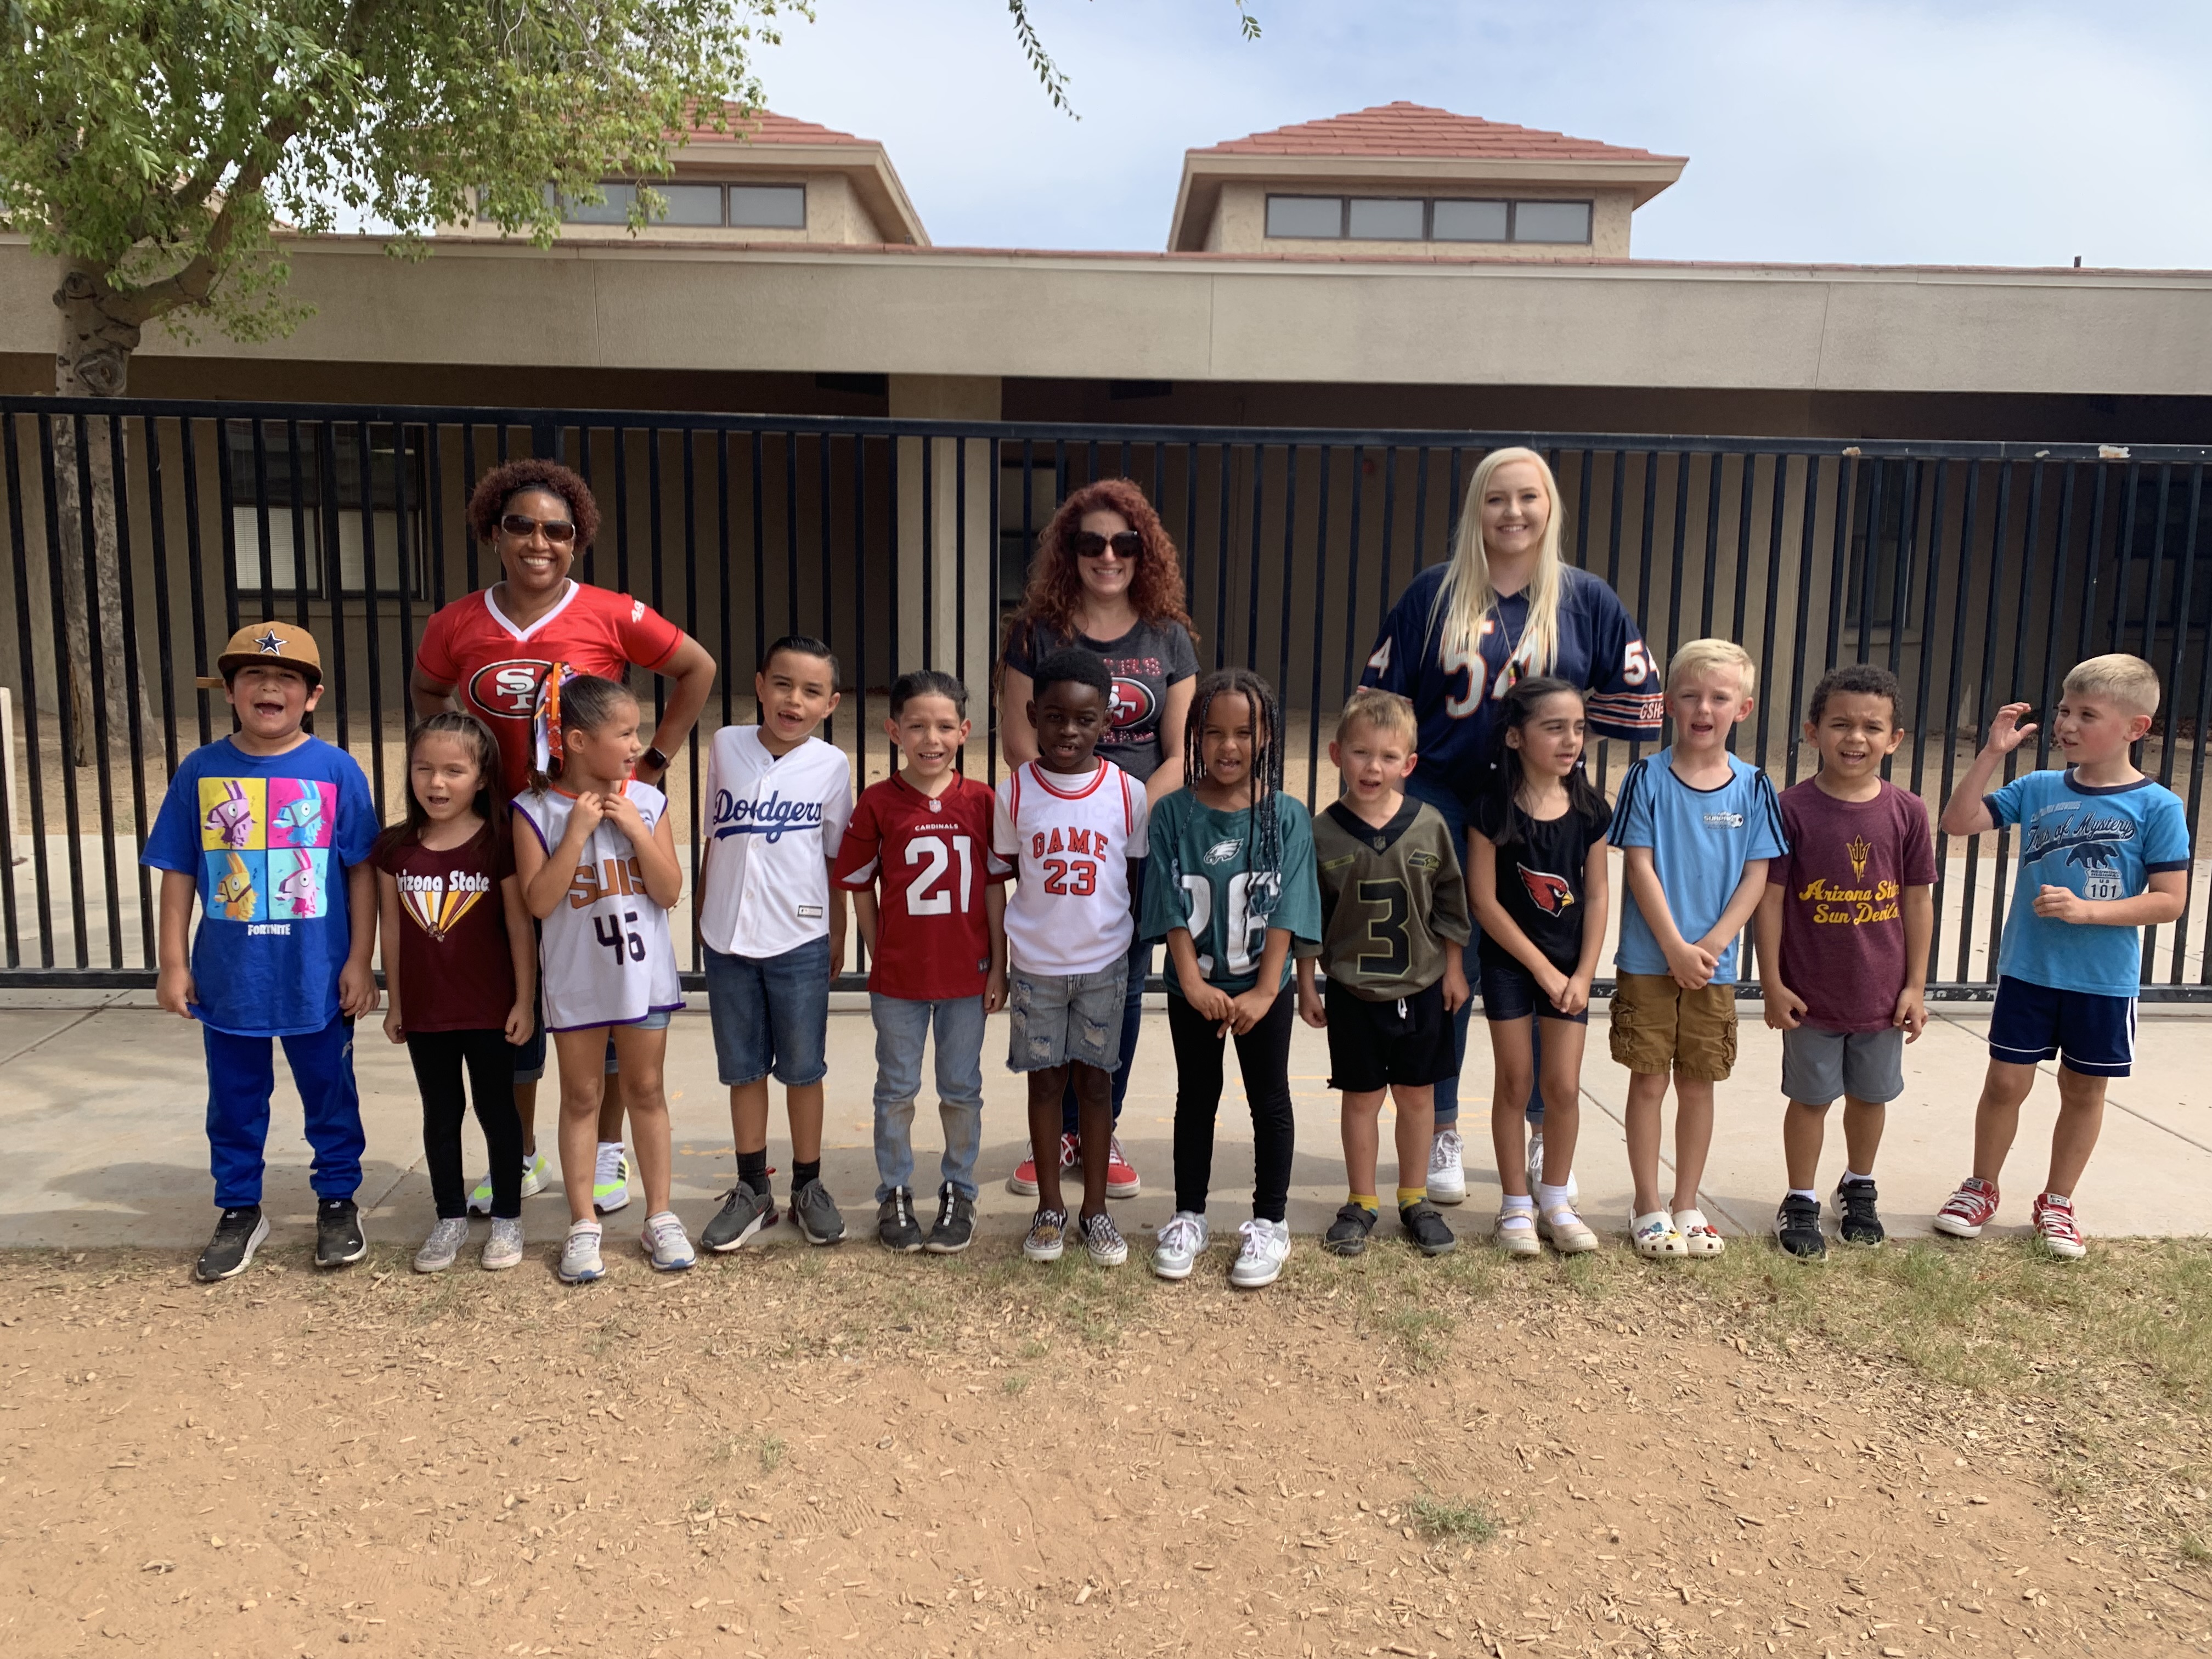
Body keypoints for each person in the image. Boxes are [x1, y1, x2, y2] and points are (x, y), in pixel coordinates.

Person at [412, 458, 716, 1217]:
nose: (539, 542)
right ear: (494, 532)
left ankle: (609, 1151)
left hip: (594, 831)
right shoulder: (457, 622)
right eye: (522, 526)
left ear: (577, 541)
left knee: (610, 992)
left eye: (558, 530)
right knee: (515, 997)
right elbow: (426, 692)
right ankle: (518, 1157)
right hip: (511, 829)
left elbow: (696, 669)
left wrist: (653, 760)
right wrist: (462, 765)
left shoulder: (611, 612)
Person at [1359, 447, 1662, 1205]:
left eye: (1529, 497)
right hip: (1444, 799)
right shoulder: (1433, 593)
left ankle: (1539, 1127)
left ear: (1550, 506)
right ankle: (1447, 1126)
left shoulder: (1585, 598)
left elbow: (1641, 704)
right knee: (1445, 968)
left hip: (1540, 805)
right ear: (1476, 509)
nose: (1514, 513)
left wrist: (1559, 753)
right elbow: (1381, 701)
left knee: (1543, 951)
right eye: (1497, 499)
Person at [1932, 654, 2188, 1259]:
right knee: (2004, 1083)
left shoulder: (2159, 808)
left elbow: (2170, 901)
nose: (2067, 725)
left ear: (2137, 728)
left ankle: (2058, 1200)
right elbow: (1957, 821)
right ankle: (1980, 1186)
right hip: (2029, 971)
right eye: (2065, 711)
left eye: (2087, 715)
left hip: (2103, 982)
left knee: (2083, 1090)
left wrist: (2090, 911)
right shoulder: (2039, 788)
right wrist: (1992, 753)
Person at [144, 622, 379, 1282]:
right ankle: (239, 1207)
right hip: (230, 978)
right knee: (235, 1100)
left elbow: (363, 870)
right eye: (251, 675)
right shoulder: (201, 769)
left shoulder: (336, 769)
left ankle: (337, 1199)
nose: (268, 685)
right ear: (229, 691)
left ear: (312, 696)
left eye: (285, 679)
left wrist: (361, 960)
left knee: (330, 1093)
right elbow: (179, 871)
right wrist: (173, 963)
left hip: (316, 977)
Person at [1001, 478, 1199, 1201]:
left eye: (1124, 543)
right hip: (1062, 834)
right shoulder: (1036, 633)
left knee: (1119, 987)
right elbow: (1020, 741)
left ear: (1144, 551)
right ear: (1070, 551)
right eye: (1092, 543)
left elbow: (1179, 751)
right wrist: (1076, 813)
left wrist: (1123, 816)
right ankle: (1054, 1133)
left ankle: (1100, 1125)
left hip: (1137, 834)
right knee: (1051, 981)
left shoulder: (1167, 634)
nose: (1108, 556)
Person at [1143, 670, 1322, 1290]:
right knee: (1196, 1097)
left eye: (1243, 732)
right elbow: (1166, 900)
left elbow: (1290, 903)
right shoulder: (1172, 813)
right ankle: (1188, 1214)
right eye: (1213, 732)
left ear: (1265, 734)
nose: (1228, 746)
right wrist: (1190, 982)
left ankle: (1270, 1221)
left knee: (1269, 1100)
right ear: (1194, 734)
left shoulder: (1286, 817)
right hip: (1197, 987)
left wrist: (1269, 989)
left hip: (1257, 988)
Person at [1610, 639, 1787, 1260]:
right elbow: (1639, 867)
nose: (1703, 708)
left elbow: (1758, 877)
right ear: (1669, 706)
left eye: (1719, 697)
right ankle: (1648, 1204)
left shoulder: (1755, 786)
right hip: (1650, 963)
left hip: (1713, 967)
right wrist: (1674, 946)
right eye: (1690, 696)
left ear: (1743, 707)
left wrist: (1710, 945)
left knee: (1699, 1084)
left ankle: (1687, 1202)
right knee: (1649, 1081)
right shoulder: (1646, 779)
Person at [511, 673, 689, 1283]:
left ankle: (660, 1216)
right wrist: (579, 834)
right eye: (626, 733)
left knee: (646, 1090)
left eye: (637, 731)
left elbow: (668, 891)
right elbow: (539, 901)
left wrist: (637, 831)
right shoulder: (535, 810)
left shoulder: (649, 801)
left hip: (642, 978)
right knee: (582, 1096)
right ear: (579, 741)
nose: (637, 744)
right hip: (579, 979)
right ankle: (583, 1223)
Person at [1754, 665, 1934, 1259]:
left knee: (1871, 1097)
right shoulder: (1790, 809)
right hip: (1810, 993)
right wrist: (1773, 982)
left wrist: (1915, 986)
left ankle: (1858, 1186)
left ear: (1895, 739)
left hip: (1881, 995)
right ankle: (1800, 1197)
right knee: (1809, 1098)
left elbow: (1915, 899)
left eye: (1871, 727)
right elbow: (1772, 898)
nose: (1855, 738)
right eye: (1840, 725)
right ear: (1812, 733)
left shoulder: (1908, 812)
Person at [832, 670, 1009, 1256]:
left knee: (961, 1089)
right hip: (901, 980)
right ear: (894, 731)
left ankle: (959, 1189)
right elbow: (859, 885)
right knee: (897, 1090)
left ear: (964, 731)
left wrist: (999, 966)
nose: (929, 738)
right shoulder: (879, 802)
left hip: (967, 975)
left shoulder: (982, 801)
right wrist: (881, 948)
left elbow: (992, 888)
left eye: (942, 726)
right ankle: (897, 1191)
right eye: (916, 726)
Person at [1297, 689, 1470, 1261]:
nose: (1374, 767)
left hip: (1421, 988)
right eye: (1361, 753)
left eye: (1389, 757)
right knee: (1361, 1099)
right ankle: (1362, 1201)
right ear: (1335, 754)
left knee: (1419, 1099)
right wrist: (1306, 981)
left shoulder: (1430, 825)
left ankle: (1415, 1199)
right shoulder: (1321, 834)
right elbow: (1306, 914)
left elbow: (1449, 900)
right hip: (1354, 991)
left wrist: (1452, 970)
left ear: (1409, 764)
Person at [696, 637, 856, 1252]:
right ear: (760, 684)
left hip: (799, 935)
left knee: (802, 1068)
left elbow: (835, 854)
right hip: (728, 935)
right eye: (783, 684)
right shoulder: (727, 745)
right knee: (742, 1070)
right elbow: (716, 834)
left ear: (831, 703)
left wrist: (836, 930)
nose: (795, 699)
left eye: (812, 691)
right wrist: (707, 911)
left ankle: (808, 1186)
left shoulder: (831, 766)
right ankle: (751, 1188)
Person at [995, 647, 1150, 1268]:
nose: (1067, 731)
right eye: (1054, 717)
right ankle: (1050, 1209)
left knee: (1095, 1082)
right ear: (1032, 715)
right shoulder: (1014, 794)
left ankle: (1096, 1213)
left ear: (1106, 721)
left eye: (1084, 720)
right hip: (1036, 964)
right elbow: (1003, 876)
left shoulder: (1127, 792)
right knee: (1045, 1081)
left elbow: (1133, 877)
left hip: (1104, 965)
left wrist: (1118, 939)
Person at [374, 713, 537, 1273]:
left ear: (483, 777)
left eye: (453, 770)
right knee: (441, 1114)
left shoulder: (500, 844)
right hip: (426, 1012)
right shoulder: (394, 849)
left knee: (498, 1111)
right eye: (424, 769)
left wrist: (524, 1000)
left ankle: (509, 1218)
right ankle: (448, 1218)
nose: (437, 783)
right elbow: (390, 929)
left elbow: (520, 926)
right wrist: (397, 1001)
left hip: (490, 1008)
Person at [1468, 678, 1610, 1257]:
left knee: (1563, 1088)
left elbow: (1598, 896)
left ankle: (1555, 1199)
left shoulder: (1590, 808)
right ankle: (1515, 1208)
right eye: (1554, 728)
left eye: (1578, 728)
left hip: (1569, 969)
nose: (1570, 740)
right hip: (1510, 966)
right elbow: (1484, 901)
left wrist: (1580, 974)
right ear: (1515, 736)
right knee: (1515, 1082)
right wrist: (1541, 971)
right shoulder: (1491, 809)